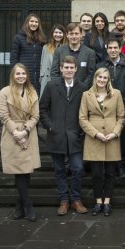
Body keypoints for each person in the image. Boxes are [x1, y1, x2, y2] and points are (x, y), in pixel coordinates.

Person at [39, 56, 88, 216]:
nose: (68, 70)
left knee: (78, 168)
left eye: (71, 67)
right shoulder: (52, 85)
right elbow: (43, 108)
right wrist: (50, 126)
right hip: (56, 135)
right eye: (65, 67)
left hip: (75, 135)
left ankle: (75, 199)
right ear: (60, 69)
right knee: (59, 170)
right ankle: (64, 200)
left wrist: (81, 130)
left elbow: (86, 110)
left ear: (75, 69)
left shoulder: (82, 87)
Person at [0, 63, 41, 222]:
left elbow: (36, 116)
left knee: (26, 171)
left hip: (28, 132)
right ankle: (28, 204)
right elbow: (3, 115)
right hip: (11, 134)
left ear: (27, 75)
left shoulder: (32, 92)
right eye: (18, 74)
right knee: (19, 171)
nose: (21, 76)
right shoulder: (5, 92)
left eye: (23, 73)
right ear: (13, 76)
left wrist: (25, 131)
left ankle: (19, 204)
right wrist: (16, 133)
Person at [79, 67, 125, 216]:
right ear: (95, 78)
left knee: (111, 172)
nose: (102, 80)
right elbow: (82, 118)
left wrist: (115, 133)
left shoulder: (116, 94)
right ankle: (98, 201)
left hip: (111, 138)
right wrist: (95, 133)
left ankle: (107, 202)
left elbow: (121, 117)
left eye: (105, 78)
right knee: (97, 173)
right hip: (94, 138)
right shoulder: (87, 95)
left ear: (108, 80)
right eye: (100, 77)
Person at [100, 39, 125, 179]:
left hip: (123, 106)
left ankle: (122, 166)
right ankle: (109, 167)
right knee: (107, 136)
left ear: (120, 49)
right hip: (105, 108)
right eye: (110, 47)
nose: (113, 50)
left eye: (115, 47)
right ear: (107, 49)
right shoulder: (100, 66)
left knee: (122, 137)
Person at [50, 22, 97, 89]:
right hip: (62, 90)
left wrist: (83, 87)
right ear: (67, 35)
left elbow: (91, 74)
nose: (74, 36)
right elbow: (54, 72)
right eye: (71, 34)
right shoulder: (59, 51)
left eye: (76, 34)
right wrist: (59, 87)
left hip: (82, 91)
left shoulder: (90, 53)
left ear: (81, 35)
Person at [10, 13, 46, 93]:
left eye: (36, 22)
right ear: (27, 23)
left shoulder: (42, 39)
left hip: (38, 77)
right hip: (23, 76)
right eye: (31, 21)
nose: (34, 24)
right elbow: (13, 59)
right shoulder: (18, 38)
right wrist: (15, 75)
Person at [40, 23, 67, 94]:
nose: (58, 34)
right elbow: (42, 63)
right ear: (52, 33)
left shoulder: (67, 48)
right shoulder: (45, 47)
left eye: (60, 32)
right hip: (46, 78)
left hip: (60, 78)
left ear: (64, 34)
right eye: (56, 32)